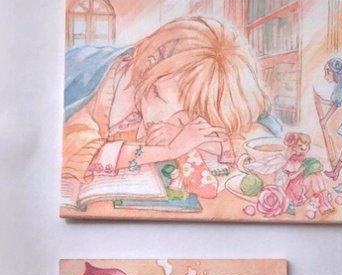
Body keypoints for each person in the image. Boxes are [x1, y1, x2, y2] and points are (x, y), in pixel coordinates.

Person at [62, 16, 279, 199]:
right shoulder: (107, 90)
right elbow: (76, 152)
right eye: (182, 117)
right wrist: (169, 150)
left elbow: (254, 129)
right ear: (150, 72)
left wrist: (207, 142)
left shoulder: (172, 90)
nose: (184, 124)